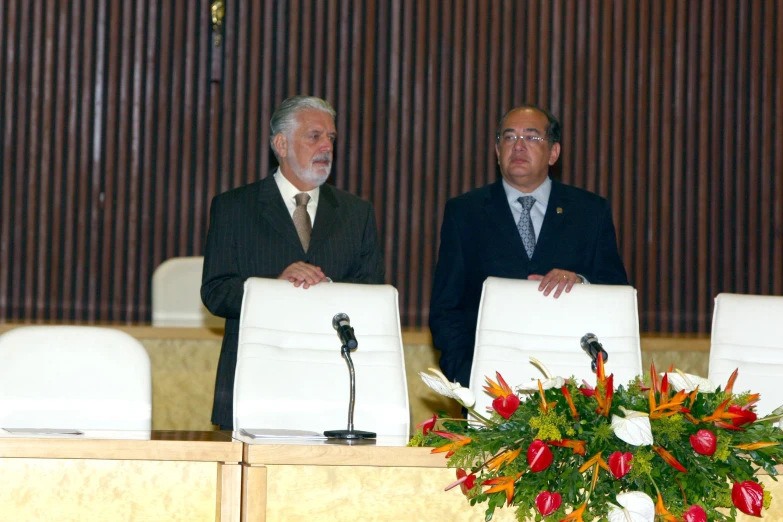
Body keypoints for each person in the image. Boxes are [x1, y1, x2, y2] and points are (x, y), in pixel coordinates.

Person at [201, 95, 385, 430]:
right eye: (314, 136)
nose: (326, 146)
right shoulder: (234, 208)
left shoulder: (357, 213)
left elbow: (372, 294)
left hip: (332, 381)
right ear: (281, 144)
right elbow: (216, 292)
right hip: (256, 377)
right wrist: (274, 288)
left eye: (331, 138)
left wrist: (325, 290)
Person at [429, 104, 628, 387]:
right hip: (489, 381)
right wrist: (465, 376)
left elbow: (615, 293)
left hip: (571, 381)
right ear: (498, 152)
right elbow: (446, 308)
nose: (518, 146)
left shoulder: (589, 212)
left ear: (554, 152)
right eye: (509, 137)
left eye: (531, 137)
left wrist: (581, 282)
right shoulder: (465, 212)